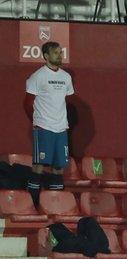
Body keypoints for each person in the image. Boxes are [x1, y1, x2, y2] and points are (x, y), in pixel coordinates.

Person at [24, 41, 75, 206]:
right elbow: (27, 103)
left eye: (61, 52)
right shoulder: (37, 77)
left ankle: (55, 202)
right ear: (46, 56)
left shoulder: (66, 77)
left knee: (58, 166)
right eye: (56, 53)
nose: (60, 55)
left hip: (61, 129)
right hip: (43, 128)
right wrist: (38, 121)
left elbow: (64, 101)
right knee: (39, 165)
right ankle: (33, 203)